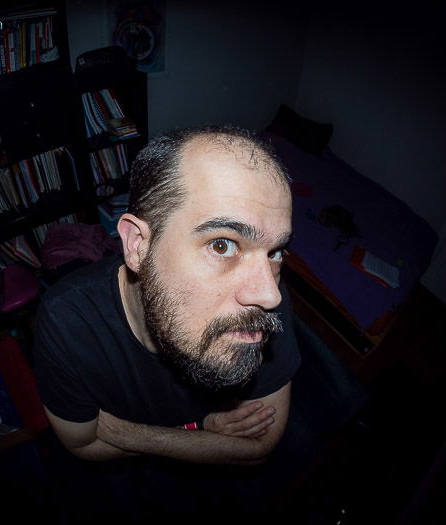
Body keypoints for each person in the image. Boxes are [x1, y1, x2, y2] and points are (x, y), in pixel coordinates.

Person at [32, 124, 301, 520]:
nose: (269, 294)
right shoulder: (68, 321)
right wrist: (202, 432)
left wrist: (131, 432)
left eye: (275, 252)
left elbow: (258, 447)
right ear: (139, 245)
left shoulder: (261, 302)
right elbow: (82, 446)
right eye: (223, 244)